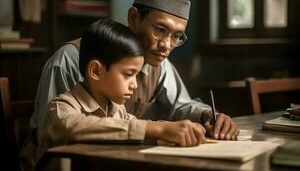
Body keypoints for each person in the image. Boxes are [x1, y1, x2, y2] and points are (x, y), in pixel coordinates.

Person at [30, 0, 239, 148]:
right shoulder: (68, 61)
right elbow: (56, 136)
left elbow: (181, 105)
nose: (166, 45)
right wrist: (155, 130)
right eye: (160, 29)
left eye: (177, 36)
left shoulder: (158, 64)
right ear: (134, 18)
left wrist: (205, 116)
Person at [32, 19, 207, 170]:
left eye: (137, 75)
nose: (134, 85)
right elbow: (76, 126)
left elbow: (140, 128)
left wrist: (177, 130)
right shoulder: (60, 108)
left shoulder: (117, 110)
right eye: (128, 74)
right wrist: (157, 129)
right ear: (96, 70)